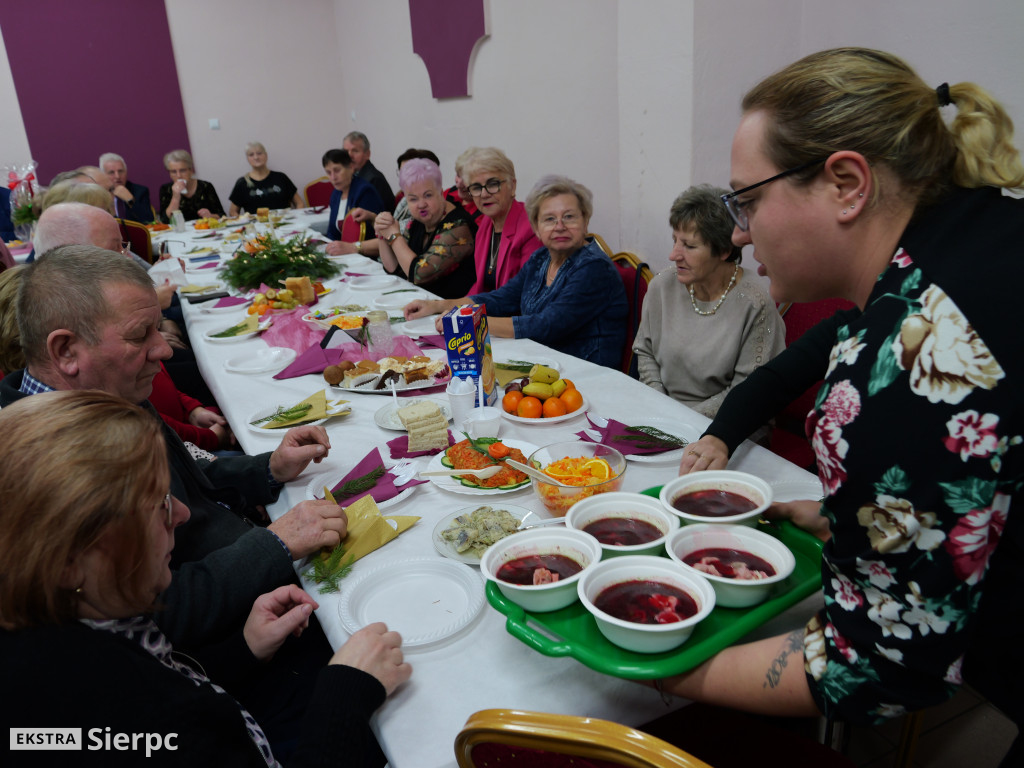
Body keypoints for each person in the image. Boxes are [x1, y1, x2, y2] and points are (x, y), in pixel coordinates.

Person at [653, 48, 1024, 765]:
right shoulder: (955, 249)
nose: (738, 232)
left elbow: (878, 668)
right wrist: (851, 514)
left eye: (747, 200)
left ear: (847, 183)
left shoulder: (923, 356)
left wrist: (657, 668)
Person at [0, 389, 410, 767]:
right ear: (72, 559)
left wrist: (244, 650)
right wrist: (347, 695)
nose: (181, 514)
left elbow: (172, 673)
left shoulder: (66, 627)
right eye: (158, 506)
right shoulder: (112, 705)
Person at [0, 247, 347, 649]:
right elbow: (152, 614)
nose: (163, 350)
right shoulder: (40, 468)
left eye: (157, 329)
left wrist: (269, 468)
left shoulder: (105, 392)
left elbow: (193, 477)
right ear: (66, 351)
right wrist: (274, 546)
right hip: (237, 636)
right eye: (139, 335)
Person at [404, 175, 627, 368]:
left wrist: (473, 322)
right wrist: (438, 305)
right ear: (537, 228)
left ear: (586, 221)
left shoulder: (593, 268)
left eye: (569, 217)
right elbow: (503, 298)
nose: (559, 226)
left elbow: (546, 325)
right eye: (549, 219)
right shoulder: (542, 257)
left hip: (587, 377)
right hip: (542, 364)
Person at [633, 184, 785, 425]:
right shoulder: (662, 286)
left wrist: (681, 420)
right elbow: (645, 351)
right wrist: (660, 407)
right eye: (675, 241)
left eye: (690, 246)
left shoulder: (755, 302)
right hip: (663, 414)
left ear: (724, 250)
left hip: (728, 424)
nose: (674, 255)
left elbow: (747, 391)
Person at [374, 158, 477, 298]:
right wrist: (382, 232)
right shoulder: (418, 222)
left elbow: (418, 274)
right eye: (413, 199)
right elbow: (395, 269)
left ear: (441, 193)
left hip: (453, 313)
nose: (421, 205)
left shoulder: (458, 226)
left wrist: (394, 236)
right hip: (424, 304)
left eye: (428, 195)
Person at [461, 147, 541, 293]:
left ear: (512, 186)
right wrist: (451, 307)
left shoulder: (531, 227)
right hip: (489, 311)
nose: (484, 194)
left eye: (492, 184)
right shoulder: (486, 224)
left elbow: (525, 294)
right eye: (476, 187)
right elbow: (480, 287)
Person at [322, 148, 384, 255]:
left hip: (366, 255)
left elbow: (372, 234)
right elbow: (332, 232)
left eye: (337, 171)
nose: (333, 177)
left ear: (350, 167)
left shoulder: (364, 191)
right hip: (343, 253)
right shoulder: (336, 194)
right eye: (328, 172)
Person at [228, 142, 303, 216]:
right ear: (247, 159)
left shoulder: (281, 177)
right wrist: (243, 223)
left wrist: (297, 219)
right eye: (251, 155)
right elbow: (232, 212)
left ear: (266, 155)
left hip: (284, 225)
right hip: (256, 226)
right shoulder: (242, 183)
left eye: (259, 153)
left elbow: (299, 203)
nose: (256, 157)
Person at [159, 149, 225, 222]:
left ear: (191, 170)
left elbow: (222, 215)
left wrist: (210, 216)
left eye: (182, 170)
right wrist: (175, 197)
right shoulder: (166, 189)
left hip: (204, 229)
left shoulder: (205, 186)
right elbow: (164, 221)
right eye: (173, 172)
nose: (178, 175)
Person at [344, 130, 396, 212]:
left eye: (355, 151)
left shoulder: (374, 179)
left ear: (367, 154)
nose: (349, 155)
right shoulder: (350, 177)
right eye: (346, 151)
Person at [100, 152, 153, 223]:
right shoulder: (98, 194)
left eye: (121, 171)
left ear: (126, 172)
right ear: (103, 175)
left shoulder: (140, 191)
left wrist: (130, 200)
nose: (117, 176)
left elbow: (148, 220)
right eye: (111, 172)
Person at [445, 146, 483, 227]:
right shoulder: (448, 193)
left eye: (466, 179)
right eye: (458, 175)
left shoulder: (484, 213)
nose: (459, 183)